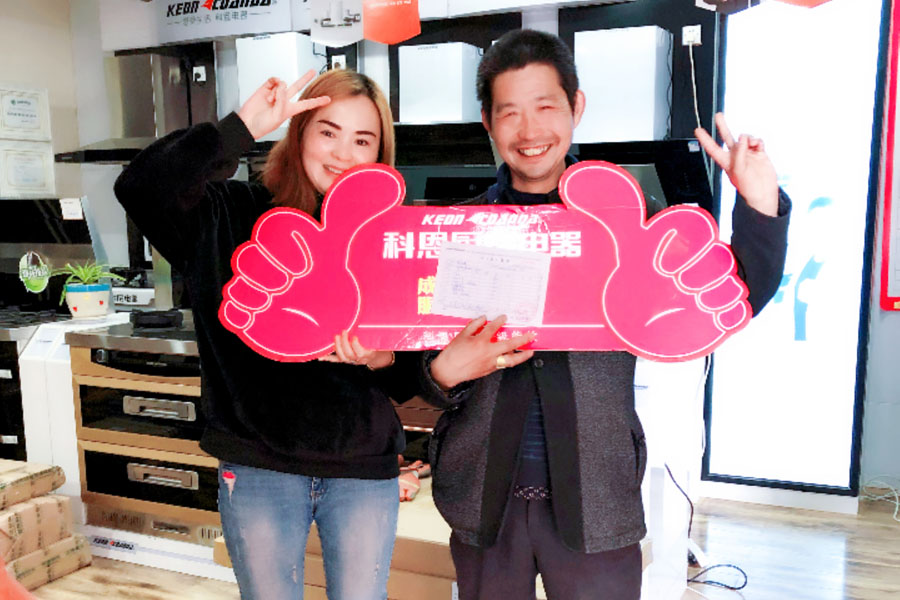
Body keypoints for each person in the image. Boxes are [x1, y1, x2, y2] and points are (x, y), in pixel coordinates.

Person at [418, 29, 791, 600]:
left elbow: (723, 301)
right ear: (488, 123)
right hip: (482, 498)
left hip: (596, 497)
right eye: (510, 112)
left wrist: (759, 205)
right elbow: (418, 360)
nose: (530, 131)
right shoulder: (456, 230)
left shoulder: (629, 222)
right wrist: (443, 373)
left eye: (546, 107)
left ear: (577, 107)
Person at [115, 69, 421, 600]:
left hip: (363, 469)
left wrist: (381, 357)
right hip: (259, 465)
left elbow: (412, 372)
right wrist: (240, 128)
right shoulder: (226, 214)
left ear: (379, 153)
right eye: (328, 131)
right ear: (299, 132)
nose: (342, 153)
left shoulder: (389, 240)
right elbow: (140, 187)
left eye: (362, 140)